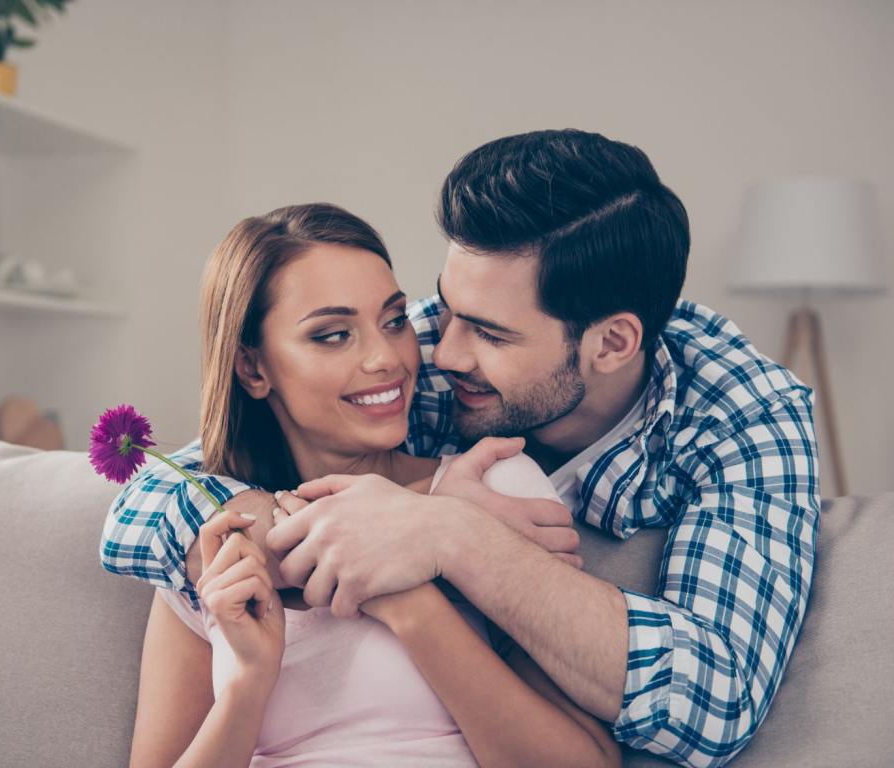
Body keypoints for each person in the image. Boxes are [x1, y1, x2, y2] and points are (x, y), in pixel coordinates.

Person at [102, 129, 820, 768]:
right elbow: (166, 489)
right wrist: (296, 536)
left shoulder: (743, 420)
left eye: (487, 333)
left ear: (612, 343)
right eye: (441, 311)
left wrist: (450, 534)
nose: (436, 352)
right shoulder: (418, 360)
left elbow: (716, 700)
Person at [125, 202, 620, 767]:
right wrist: (246, 684)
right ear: (253, 370)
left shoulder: (492, 487)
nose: (387, 358)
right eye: (333, 335)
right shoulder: (209, 540)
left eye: (393, 320)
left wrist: (412, 601)